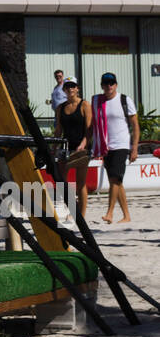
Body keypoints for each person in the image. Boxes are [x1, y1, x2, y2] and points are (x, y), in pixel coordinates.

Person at [91, 72, 139, 224]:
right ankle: (126, 216)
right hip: (106, 146)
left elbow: (135, 126)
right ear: (102, 86)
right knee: (117, 182)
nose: (109, 86)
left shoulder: (124, 100)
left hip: (121, 145)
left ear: (116, 85)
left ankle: (109, 213)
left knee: (114, 178)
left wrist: (134, 148)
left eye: (111, 83)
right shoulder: (97, 101)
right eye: (106, 84)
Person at [54, 79, 92, 219]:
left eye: (73, 86)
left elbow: (89, 129)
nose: (70, 89)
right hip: (65, 147)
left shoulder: (84, 104)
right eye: (67, 86)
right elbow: (58, 130)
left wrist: (83, 144)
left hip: (81, 148)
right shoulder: (60, 107)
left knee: (80, 183)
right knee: (60, 181)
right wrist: (53, 148)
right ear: (64, 90)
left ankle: (80, 215)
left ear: (77, 89)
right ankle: (73, 207)